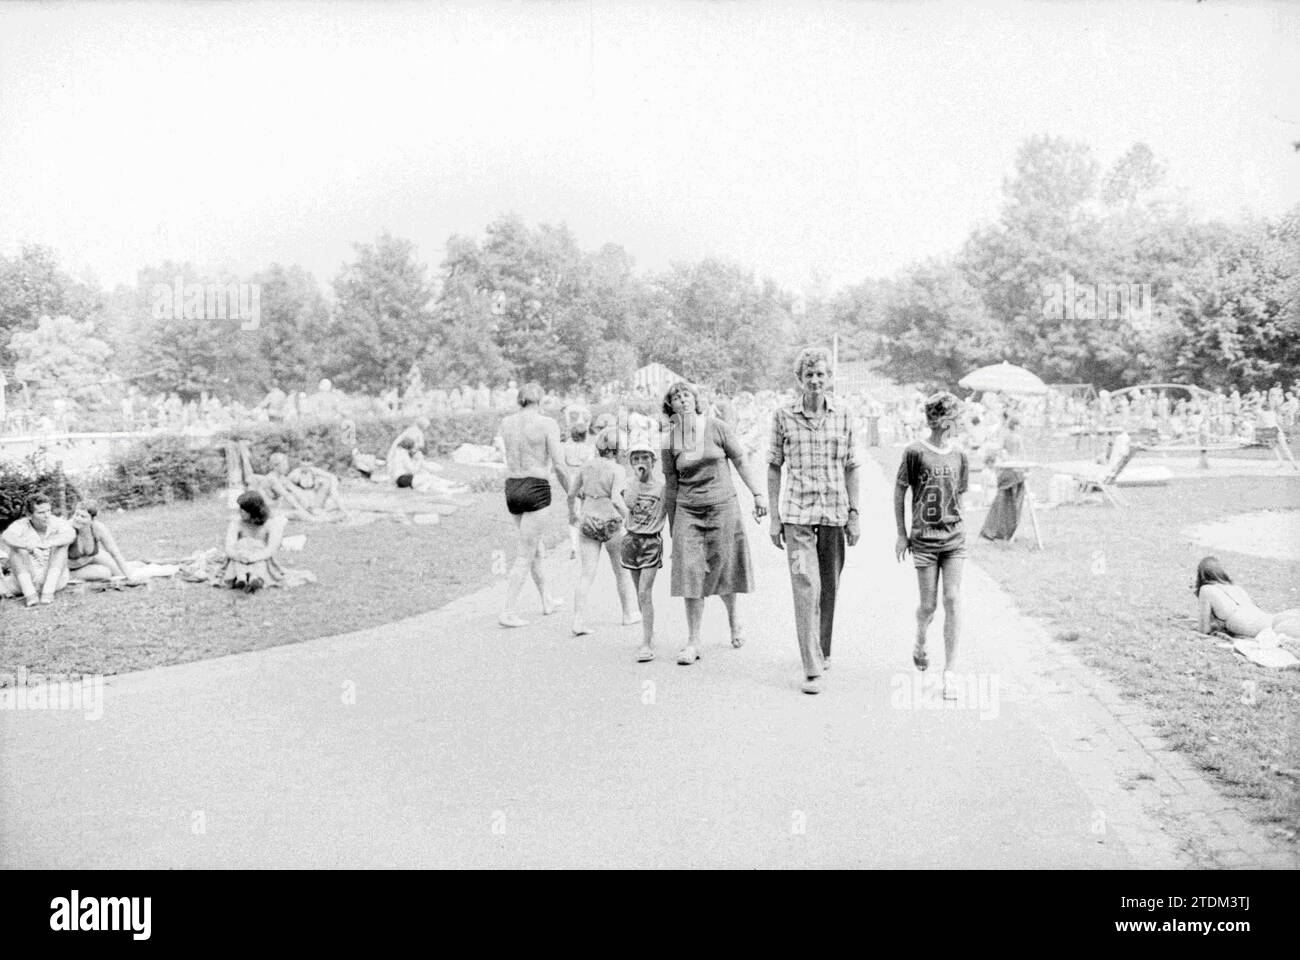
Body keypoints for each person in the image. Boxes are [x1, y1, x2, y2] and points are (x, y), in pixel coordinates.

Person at [767, 346, 861, 695]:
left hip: (835, 513)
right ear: (799, 380)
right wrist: (775, 517)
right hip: (797, 516)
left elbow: (852, 466)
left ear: (830, 378)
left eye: (821, 374)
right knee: (806, 585)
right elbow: (774, 465)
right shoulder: (783, 416)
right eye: (809, 375)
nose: (816, 380)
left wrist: (855, 514)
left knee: (829, 587)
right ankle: (810, 667)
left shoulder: (844, 416)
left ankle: (823, 649)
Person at [661, 380, 768, 665]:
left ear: (696, 400)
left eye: (687, 395)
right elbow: (671, 484)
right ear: (670, 405)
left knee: (724, 569)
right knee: (690, 572)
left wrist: (758, 493)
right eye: (676, 396)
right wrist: (673, 526)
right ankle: (693, 640)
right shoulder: (670, 439)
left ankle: (734, 620)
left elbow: (741, 461)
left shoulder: (717, 426)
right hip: (688, 509)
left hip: (722, 506)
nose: (682, 399)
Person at [895, 392, 969, 700]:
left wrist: (959, 525)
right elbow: (900, 492)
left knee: (952, 599)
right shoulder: (915, 452)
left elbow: (960, 492)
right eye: (955, 418)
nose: (959, 424)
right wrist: (902, 533)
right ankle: (921, 639)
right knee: (929, 606)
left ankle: (950, 671)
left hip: (953, 539)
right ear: (940, 420)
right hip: (924, 540)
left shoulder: (960, 454)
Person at [498, 381, 570, 627]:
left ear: (520, 399)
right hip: (535, 486)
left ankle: (547, 600)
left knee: (535, 549)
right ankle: (507, 611)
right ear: (540, 401)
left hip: (512, 487)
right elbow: (559, 464)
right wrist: (571, 491)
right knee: (525, 554)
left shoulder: (506, 423)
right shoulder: (547, 423)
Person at [569, 429, 639, 636]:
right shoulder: (617, 470)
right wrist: (630, 518)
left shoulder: (586, 466)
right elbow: (616, 499)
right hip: (610, 523)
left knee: (586, 574)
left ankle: (578, 621)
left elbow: (572, 493)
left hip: (588, 521)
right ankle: (627, 614)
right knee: (621, 572)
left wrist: (572, 513)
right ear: (618, 450)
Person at [622, 438, 668, 662]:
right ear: (631, 462)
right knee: (638, 592)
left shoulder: (662, 487)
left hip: (650, 542)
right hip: (631, 540)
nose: (641, 462)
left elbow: (670, 513)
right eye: (636, 459)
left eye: (645, 458)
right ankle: (648, 631)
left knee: (644, 592)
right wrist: (637, 481)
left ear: (653, 461)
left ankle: (646, 644)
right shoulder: (630, 483)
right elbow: (629, 504)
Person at [1192, 557, 1300, 641]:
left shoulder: (1206, 589)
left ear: (1201, 575)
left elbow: (1204, 630)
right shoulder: (1235, 588)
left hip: (1268, 630)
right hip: (1272, 619)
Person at [1, 494, 75, 605]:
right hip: (28, 576)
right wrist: (25, 545)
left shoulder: (56, 522)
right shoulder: (21, 524)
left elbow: (70, 535)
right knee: (16, 549)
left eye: (48, 511)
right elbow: (7, 536)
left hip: (54, 578)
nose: (47, 515)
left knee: (61, 546)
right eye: (41, 513)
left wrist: (49, 543)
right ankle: (30, 595)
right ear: (29, 515)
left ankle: (48, 593)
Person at [220, 490, 288, 592]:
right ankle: (240, 578)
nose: (241, 512)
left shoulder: (270, 524)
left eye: (244, 510)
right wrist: (237, 555)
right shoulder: (236, 523)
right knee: (242, 546)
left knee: (259, 559)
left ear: (254, 510)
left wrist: (254, 557)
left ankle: (255, 579)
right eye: (241, 509)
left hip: (260, 556)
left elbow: (271, 549)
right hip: (240, 556)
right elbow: (229, 547)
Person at [67, 500, 141, 583]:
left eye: (83, 516)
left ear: (92, 519)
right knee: (105, 573)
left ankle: (134, 565)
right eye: (76, 514)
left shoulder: (98, 528)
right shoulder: (67, 529)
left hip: (91, 557)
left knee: (120, 572)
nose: (77, 519)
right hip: (71, 568)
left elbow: (115, 553)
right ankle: (71, 576)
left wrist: (130, 576)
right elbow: (55, 559)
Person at [560, 421, 596, 559]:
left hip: (571, 480)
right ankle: (586, 542)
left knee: (572, 514)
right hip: (584, 480)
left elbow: (562, 467)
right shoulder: (589, 449)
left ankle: (574, 546)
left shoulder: (565, 448)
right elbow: (589, 467)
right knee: (585, 511)